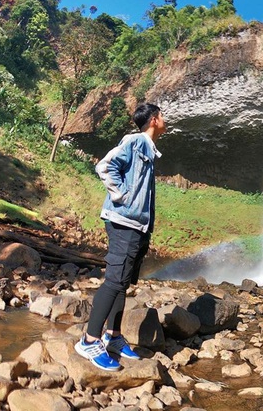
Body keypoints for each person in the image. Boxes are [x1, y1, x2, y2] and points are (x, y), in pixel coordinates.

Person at [75, 103, 166, 371]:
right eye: (162, 116)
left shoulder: (149, 148)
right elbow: (105, 166)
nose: (165, 120)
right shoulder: (136, 141)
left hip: (136, 226)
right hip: (124, 222)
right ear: (153, 120)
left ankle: (113, 336)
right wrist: (122, 197)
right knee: (114, 281)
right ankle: (89, 341)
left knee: (122, 282)